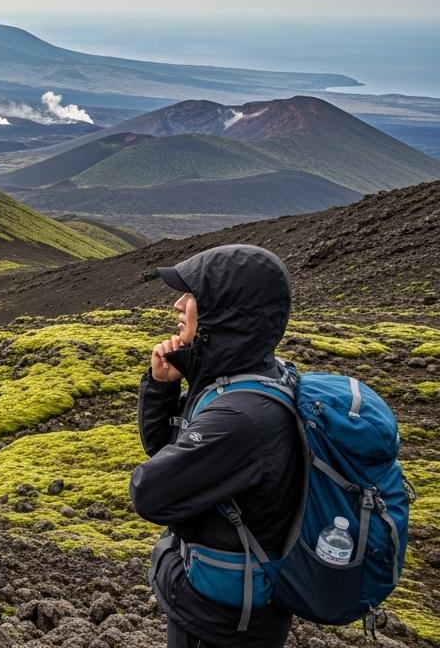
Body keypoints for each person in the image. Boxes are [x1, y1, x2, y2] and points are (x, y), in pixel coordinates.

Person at [130, 244, 305, 648]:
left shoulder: (241, 418)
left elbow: (150, 492)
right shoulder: (253, 377)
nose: (177, 304)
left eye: (191, 296)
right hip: (232, 604)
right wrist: (165, 384)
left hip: (223, 620)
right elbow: (166, 449)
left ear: (223, 313)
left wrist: (166, 561)